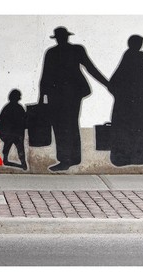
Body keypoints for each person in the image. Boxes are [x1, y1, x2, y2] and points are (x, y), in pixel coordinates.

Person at [39, 26, 109, 171]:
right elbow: (45, 75)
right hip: (67, 95)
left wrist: (107, 83)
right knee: (69, 124)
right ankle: (74, 158)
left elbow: (90, 68)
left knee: (63, 126)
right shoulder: (65, 51)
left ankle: (66, 160)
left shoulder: (60, 51)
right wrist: (107, 84)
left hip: (64, 95)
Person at [109, 35, 143, 166]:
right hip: (139, 98)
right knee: (142, 125)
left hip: (130, 99)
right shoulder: (137, 55)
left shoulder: (129, 55)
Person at [0, 89, 27, 170]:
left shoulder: (8, 108)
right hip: (15, 134)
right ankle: (23, 163)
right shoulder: (18, 107)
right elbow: (24, 120)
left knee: (11, 148)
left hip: (11, 133)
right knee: (19, 148)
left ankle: (8, 160)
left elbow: (1, 121)